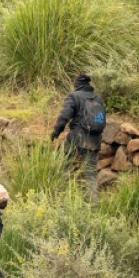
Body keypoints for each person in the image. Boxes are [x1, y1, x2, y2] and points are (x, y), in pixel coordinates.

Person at [50, 73, 104, 202]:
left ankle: (62, 197)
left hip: (77, 137)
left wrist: (56, 132)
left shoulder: (73, 96)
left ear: (77, 84)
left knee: (64, 165)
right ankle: (94, 203)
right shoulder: (98, 99)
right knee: (91, 173)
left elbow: (64, 116)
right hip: (94, 140)